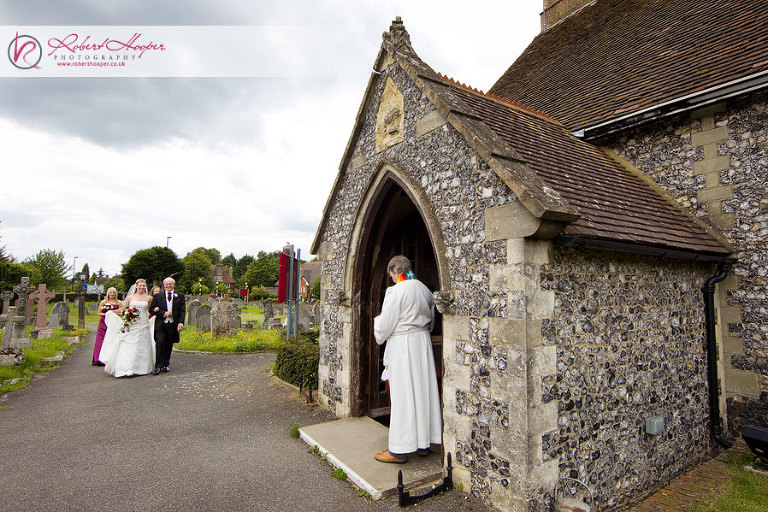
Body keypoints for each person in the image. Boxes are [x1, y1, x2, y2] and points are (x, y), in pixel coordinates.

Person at [373, 255, 442, 463]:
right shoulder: (424, 289)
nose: (392, 279)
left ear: (396, 271)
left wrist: (377, 322)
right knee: (422, 394)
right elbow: (431, 322)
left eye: (391, 275)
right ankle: (424, 445)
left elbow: (385, 325)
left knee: (402, 395)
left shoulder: (396, 291)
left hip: (403, 347)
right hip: (422, 345)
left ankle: (398, 450)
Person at [99, 279, 155, 377]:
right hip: (133, 323)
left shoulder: (149, 298)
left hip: (144, 323)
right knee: (129, 344)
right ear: (136, 286)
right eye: (140, 285)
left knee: (143, 344)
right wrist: (113, 312)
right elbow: (123, 309)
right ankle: (128, 367)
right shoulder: (130, 297)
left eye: (143, 286)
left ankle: (142, 367)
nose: (142, 287)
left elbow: (150, 310)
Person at [149, 277, 186, 375]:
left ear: (173, 285)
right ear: (164, 285)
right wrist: (163, 313)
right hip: (161, 324)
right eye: (166, 284)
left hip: (172, 324)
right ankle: (158, 366)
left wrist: (181, 323)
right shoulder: (158, 296)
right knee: (160, 342)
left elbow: (182, 310)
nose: (168, 286)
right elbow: (152, 310)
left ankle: (166, 364)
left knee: (169, 344)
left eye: (170, 284)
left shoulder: (180, 296)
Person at [92, 287, 122, 366]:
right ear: (108, 293)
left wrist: (113, 313)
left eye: (114, 292)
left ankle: (111, 358)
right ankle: (98, 359)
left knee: (113, 339)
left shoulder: (118, 302)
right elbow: (99, 313)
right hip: (103, 323)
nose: (112, 294)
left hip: (114, 323)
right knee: (100, 340)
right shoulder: (103, 302)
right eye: (110, 292)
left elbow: (121, 312)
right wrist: (107, 314)